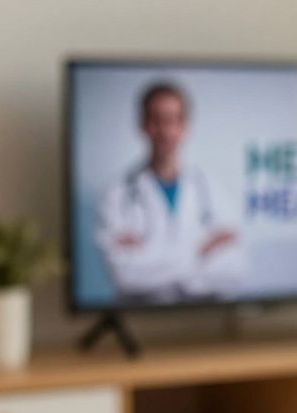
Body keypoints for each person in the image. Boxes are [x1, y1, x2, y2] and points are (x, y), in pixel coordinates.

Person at [96, 82, 245, 303]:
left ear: (185, 127)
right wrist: (200, 251)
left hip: (206, 320)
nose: (166, 131)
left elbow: (235, 269)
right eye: (157, 120)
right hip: (140, 323)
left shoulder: (213, 188)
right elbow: (124, 275)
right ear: (143, 125)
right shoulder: (116, 195)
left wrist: (151, 255)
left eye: (173, 120)